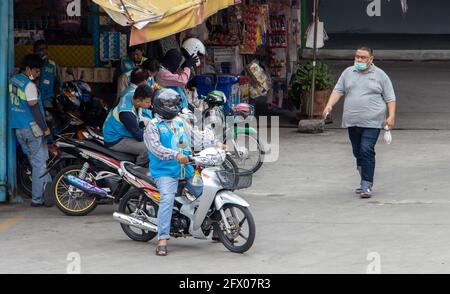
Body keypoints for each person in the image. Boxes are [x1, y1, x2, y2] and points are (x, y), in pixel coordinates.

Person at [143, 88, 219, 256]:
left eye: (175, 104)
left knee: (207, 192)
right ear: (160, 106)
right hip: (165, 172)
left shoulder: (179, 121)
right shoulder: (152, 126)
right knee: (167, 199)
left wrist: (217, 143)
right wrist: (175, 154)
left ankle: (217, 228)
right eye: (170, 104)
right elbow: (156, 149)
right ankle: (162, 239)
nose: (173, 107)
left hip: (187, 169)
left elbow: (196, 138)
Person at [323, 46, 396, 198]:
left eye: (363, 57)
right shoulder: (348, 73)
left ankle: (366, 184)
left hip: (373, 121)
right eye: (357, 57)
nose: (359, 60)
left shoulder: (380, 75)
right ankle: (364, 178)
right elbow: (338, 90)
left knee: (366, 150)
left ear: (371, 59)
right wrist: (329, 105)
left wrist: (391, 116)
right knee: (357, 152)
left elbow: (390, 98)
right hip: (352, 120)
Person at [9, 54, 52, 207]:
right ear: (28, 69)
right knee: (39, 164)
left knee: (36, 162)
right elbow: (34, 109)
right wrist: (45, 129)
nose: (38, 74)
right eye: (37, 71)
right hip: (32, 128)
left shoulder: (13, 81)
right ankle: (37, 199)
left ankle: (49, 194)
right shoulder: (29, 86)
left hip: (18, 128)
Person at [103, 84, 153, 166]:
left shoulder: (132, 93)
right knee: (149, 148)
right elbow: (139, 137)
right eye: (147, 102)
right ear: (138, 101)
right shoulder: (127, 114)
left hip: (118, 130)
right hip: (115, 140)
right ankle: (138, 169)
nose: (150, 104)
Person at [33, 39, 61, 108]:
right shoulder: (30, 64)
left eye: (43, 49)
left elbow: (58, 83)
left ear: (47, 50)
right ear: (34, 51)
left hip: (47, 100)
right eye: (38, 49)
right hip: (32, 100)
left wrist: (57, 98)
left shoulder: (53, 65)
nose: (41, 52)